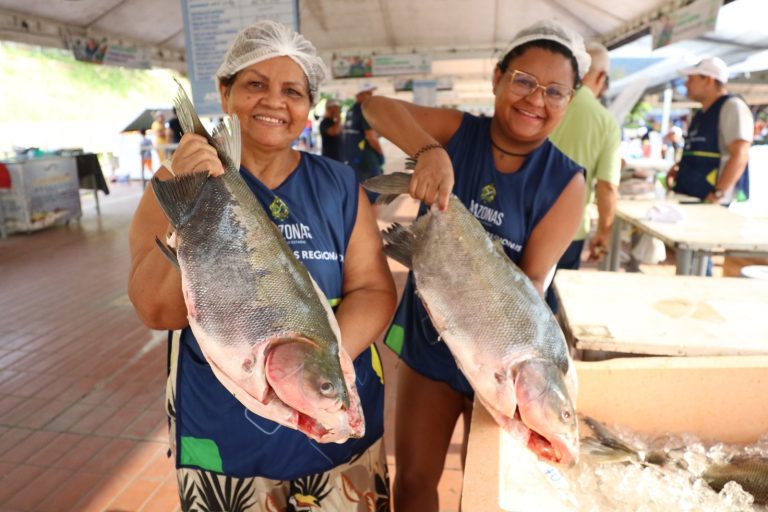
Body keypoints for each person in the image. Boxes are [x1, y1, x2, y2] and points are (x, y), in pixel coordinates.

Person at [128, 21, 396, 511]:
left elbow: (375, 291)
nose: (274, 101)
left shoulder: (338, 184)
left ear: (308, 106)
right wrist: (187, 204)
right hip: (224, 439)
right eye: (255, 85)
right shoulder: (175, 184)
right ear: (225, 91)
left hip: (330, 426)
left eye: (292, 91)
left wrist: (322, 366)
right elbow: (155, 310)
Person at [362, 20, 587, 511]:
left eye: (555, 91)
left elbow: (530, 283)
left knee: (485, 489)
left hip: (509, 350)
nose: (535, 99)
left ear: (570, 101)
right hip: (434, 339)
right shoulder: (460, 132)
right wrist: (429, 153)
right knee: (416, 481)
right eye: (524, 80)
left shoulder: (566, 182)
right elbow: (375, 107)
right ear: (498, 77)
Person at [545, 41, 621, 313]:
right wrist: (604, 231)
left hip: (525, 217)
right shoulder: (605, 122)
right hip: (570, 228)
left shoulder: (546, 101)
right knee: (553, 304)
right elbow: (607, 187)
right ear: (601, 76)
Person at [666, 57, 752, 205]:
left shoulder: (732, 107)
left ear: (709, 80)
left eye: (691, 79)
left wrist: (718, 193)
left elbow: (740, 154)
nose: (686, 84)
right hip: (690, 197)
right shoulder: (701, 113)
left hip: (712, 202)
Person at [343, 83, 385, 200]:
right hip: (367, 160)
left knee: (358, 194)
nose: (371, 96)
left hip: (353, 159)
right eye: (368, 93)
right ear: (359, 95)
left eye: (371, 93)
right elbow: (371, 137)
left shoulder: (351, 111)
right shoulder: (365, 110)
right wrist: (380, 153)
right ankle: (371, 218)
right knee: (375, 196)